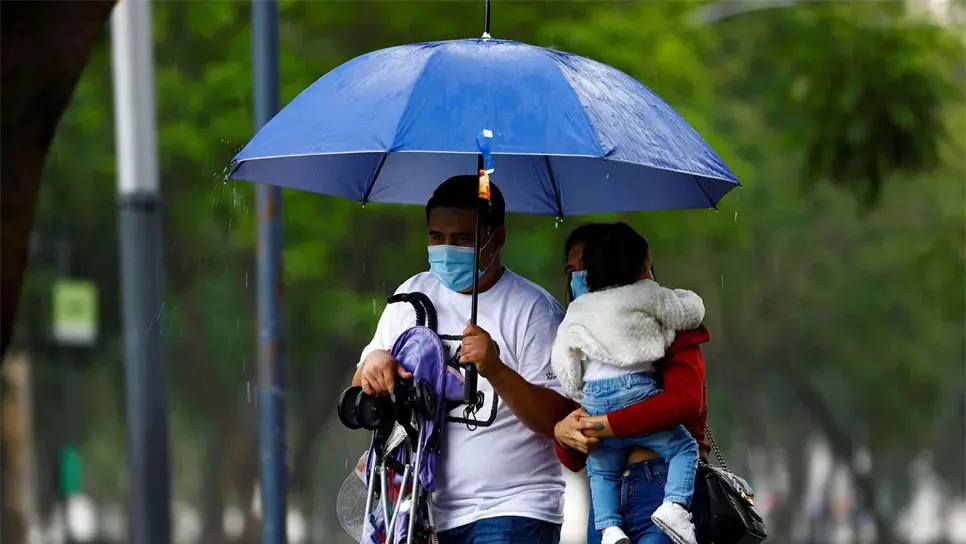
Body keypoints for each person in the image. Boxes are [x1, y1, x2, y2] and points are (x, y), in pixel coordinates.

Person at [351, 175, 575, 544]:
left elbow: (559, 419)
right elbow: (362, 384)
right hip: (417, 510)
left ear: (497, 238)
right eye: (436, 237)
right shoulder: (411, 295)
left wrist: (497, 370)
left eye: (462, 239)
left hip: (512, 510)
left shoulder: (534, 312)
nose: (446, 249)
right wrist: (374, 364)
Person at [554, 223, 714, 544]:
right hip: (607, 501)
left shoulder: (666, 326)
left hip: (663, 483)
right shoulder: (583, 336)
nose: (580, 279)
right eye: (572, 271)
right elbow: (574, 455)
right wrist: (563, 434)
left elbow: (684, 402)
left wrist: (603, 425)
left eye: (586, 268)